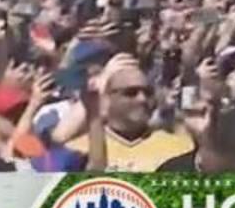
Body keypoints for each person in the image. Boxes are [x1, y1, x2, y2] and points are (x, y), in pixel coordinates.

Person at [65, 56, 193, 172]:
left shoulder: (181, 147)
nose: (142, 99)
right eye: (130, 93)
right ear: (107, 99)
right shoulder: (78, 150)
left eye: (148, 93)